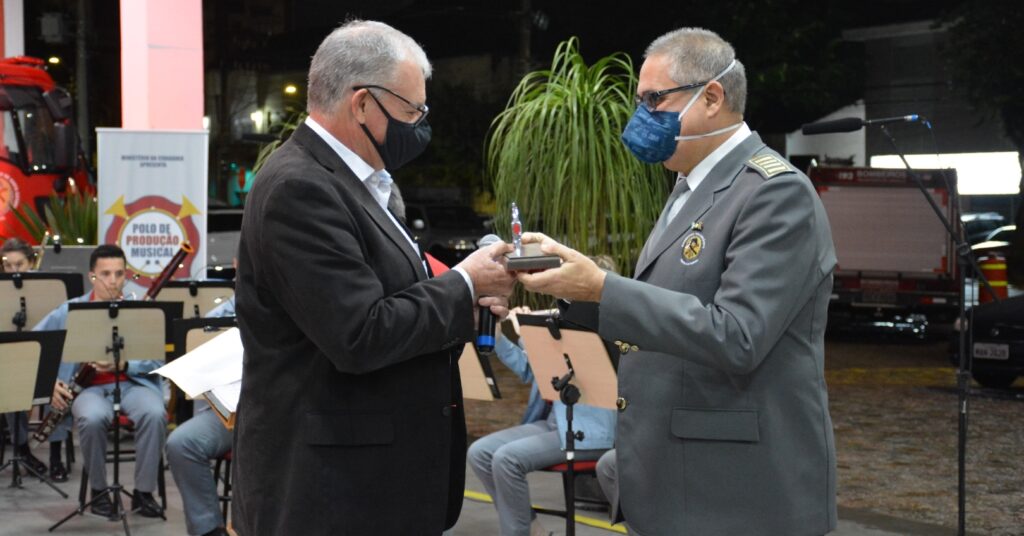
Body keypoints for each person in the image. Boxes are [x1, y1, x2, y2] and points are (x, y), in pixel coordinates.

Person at [518, 27, 838, 535]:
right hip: (674, 480)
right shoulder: (690, 187)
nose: (642, 116)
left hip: (734, 493)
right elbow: (666, 311)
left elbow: (738, 336)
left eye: (654, 100)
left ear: (711, 97)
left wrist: (603, 287)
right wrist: (574, 290)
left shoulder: (774, 193)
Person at [231, 20, 515, 535]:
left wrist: (465, 305)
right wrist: (465, 285)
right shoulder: (300, 188)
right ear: (362, 103)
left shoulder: (362, 183)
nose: (420, 126)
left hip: (373, 484)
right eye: (411, 111)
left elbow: (392, 300)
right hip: (331, 495)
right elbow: (359, 333)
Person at [38, 244, 166, 519]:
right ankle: (98, 492)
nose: (113, 281)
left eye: (119, 274)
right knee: (92, 418)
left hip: (134, 385)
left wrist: (126, 365)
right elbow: (35, 345)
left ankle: (144, 493)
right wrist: (49, 382)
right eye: (105, 274)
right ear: (92, 276)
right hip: (88, 389)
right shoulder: (70, 310)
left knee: (155, 413)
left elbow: (158, 362)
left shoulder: (141, 310)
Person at [468, 304, 616, 536]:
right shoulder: (558, 317)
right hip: (554, 422)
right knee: (479, 453)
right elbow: (529, 371)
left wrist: (531, 336)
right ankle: (531, 527)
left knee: (507, 459)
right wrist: (499, 336)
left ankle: (520, 532)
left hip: (591, 431)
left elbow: (580, 366)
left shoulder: (594, 321)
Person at [165, 295, 235, 536]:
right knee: (181, 442)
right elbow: (199, 332)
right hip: (233, 410)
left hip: (279, 412)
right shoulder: (235, 303)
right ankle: (209, 529)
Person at [1, 238, 51, 479]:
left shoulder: (45, 289)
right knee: (10, 377)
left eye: (19, 264)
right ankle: (21, 448)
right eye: (8, 266)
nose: (14, 270)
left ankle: (25, 448)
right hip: (8, 353)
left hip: (39, 353)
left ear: (31, 262)